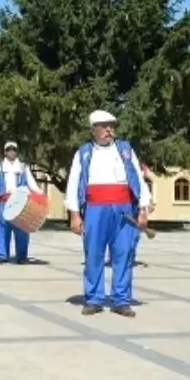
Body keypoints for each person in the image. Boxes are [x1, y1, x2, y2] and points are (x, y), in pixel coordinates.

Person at [64, 110, 151, 316]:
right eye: (103, 126)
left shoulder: (125, 150)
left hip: (124, 209)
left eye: (111, 125)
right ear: (93, 129)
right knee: (93, 254)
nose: (108, 130)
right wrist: (74, 214)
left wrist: (144, 208)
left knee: (123, 253)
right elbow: (73, 184)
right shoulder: (84, 153)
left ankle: (121, 300)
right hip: (95, 209)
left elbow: (138, 178)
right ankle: (94, 298)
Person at [0, 141, 40, 264]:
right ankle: (2, 255)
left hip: (21, 202)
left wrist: (39, 194)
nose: (12, 152)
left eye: (14, 149)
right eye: (9, 149)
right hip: (5, 201)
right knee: (3, 228)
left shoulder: (23, 167)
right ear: (5, 152)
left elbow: (32, 184)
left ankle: (21, 256)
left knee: (21, 228)